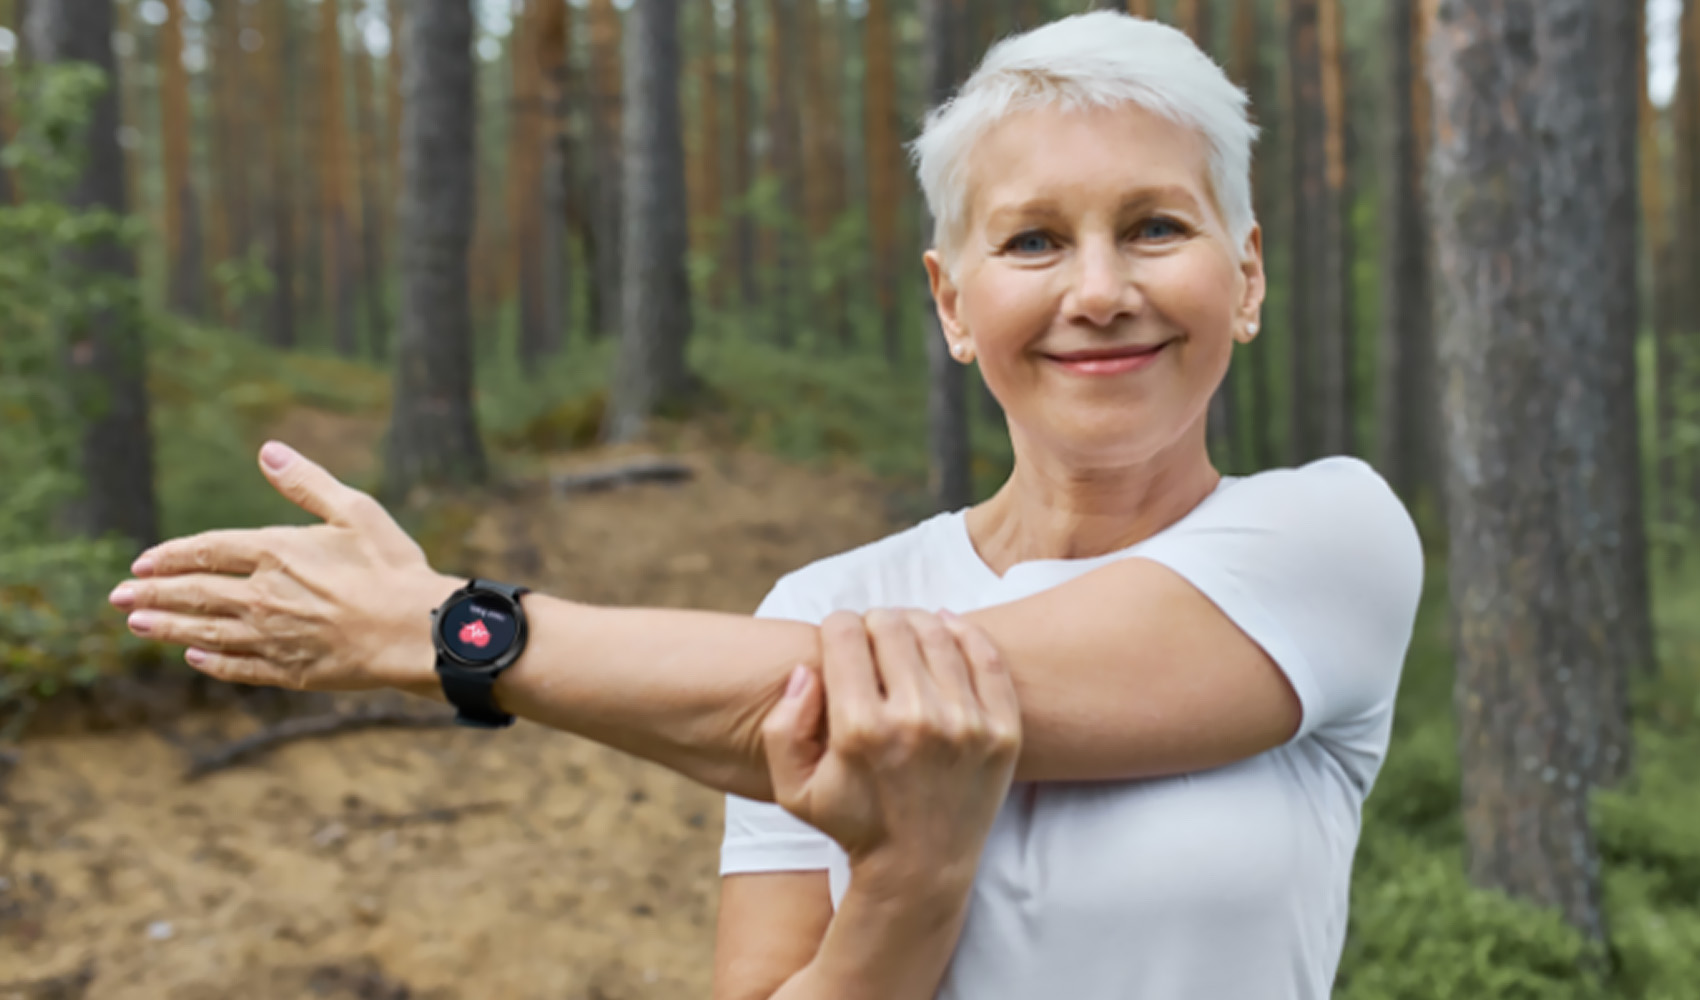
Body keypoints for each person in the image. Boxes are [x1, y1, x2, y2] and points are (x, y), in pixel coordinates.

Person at [106, 11, 1423, 999]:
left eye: (1155, 228)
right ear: (953, 303)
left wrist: (450, 633)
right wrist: (910, 881)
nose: (1098, 290)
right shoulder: (824, 607)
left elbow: (851, 698)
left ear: (1243, 279)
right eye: (1031, 240)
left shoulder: (1332, 540)